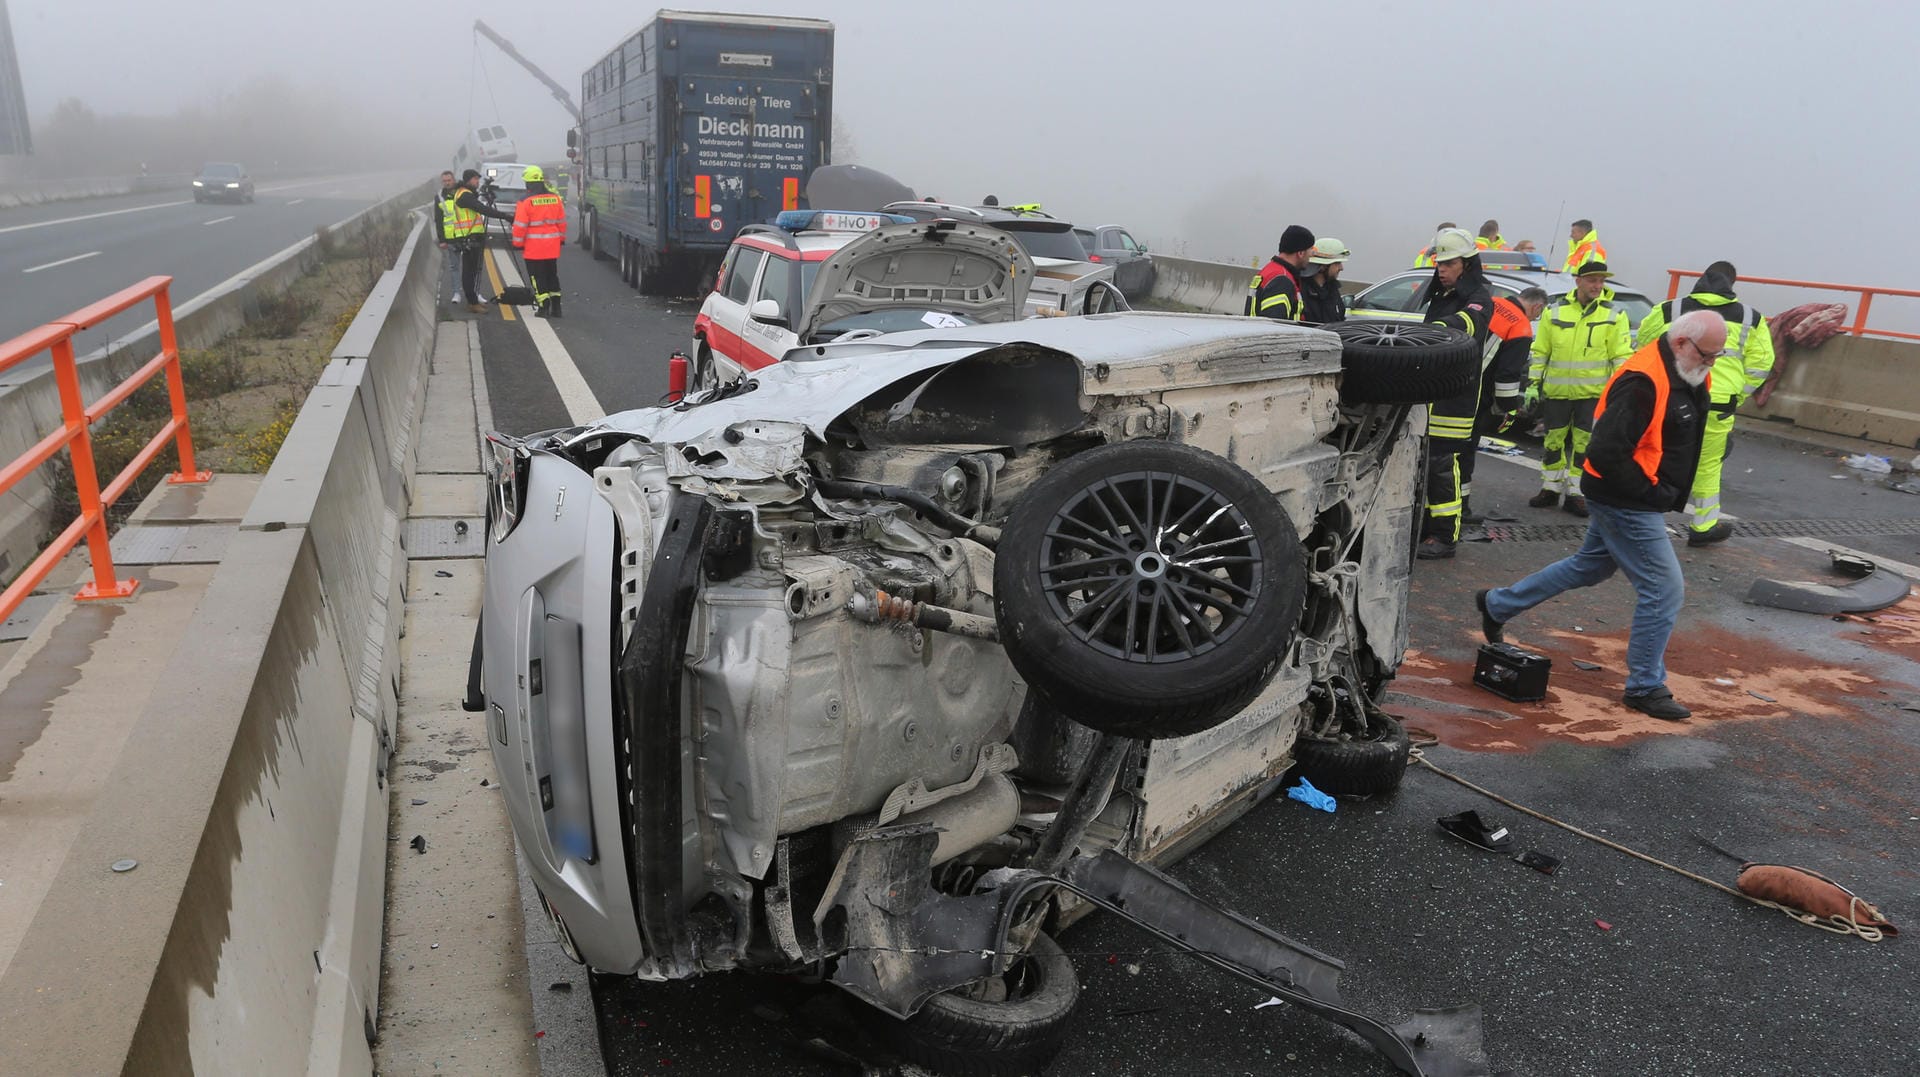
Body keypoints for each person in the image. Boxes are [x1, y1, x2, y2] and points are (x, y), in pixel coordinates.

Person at [1477, 310, 1723, 720]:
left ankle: (1498, 604)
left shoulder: (1688, 371)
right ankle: (1645, 686)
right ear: (1681, 343)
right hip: (1626, 498)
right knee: (1664, 590)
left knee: (1588, 567)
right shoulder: (1643, 380)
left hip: (1636, 495)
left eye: (1717, 355)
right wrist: (1652, 491)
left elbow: (1677, 429)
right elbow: (1607, 452)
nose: (1711, 362)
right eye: (1707, 355)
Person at [1634, 261, 1775, 546]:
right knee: (1709, 464)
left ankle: (1646, 522)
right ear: (1732, 284)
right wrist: (1738, 394)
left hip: (1673, 396)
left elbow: (1643, 345)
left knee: (1659, 456)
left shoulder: (1668, 309)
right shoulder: (1751, 318)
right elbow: (1762, 365)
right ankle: (1703, 526)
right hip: (1719, 403)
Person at [1528, 261, 1633, 516]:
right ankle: (1550, 488)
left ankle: (1577, 493)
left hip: (1593, 394)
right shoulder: (1554, 312)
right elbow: (1541, 351)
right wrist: (1533, 383)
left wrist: (1620, 391)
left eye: (1601, 281)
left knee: (1584, 445)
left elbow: (1621, 357)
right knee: (1553, 441)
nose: (1597, 286)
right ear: (1578, 281)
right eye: (1592, 280)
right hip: (1557, 392)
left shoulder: (1613, 315)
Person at [1416, 227, 1495, 559]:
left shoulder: (1478, 297)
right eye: (1439, 264)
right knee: (1426, 464)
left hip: (1455, 399)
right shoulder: (1442, 297)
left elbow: (1467, 326)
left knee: (1443, 464)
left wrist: (1430, 331)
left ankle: (1445, 536)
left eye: (1449, 263)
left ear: (1466, 263)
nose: (1442, 269)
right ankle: (1427, 527)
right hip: (1432, 395)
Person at [1462, 286, 1550, 525]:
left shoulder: (1492, 302)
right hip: (1474, 394)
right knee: (1464, 452)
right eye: (1538, 315)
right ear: (1537, 307)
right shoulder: (1520, 326)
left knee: (1442, 450)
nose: (1535, 318)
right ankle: (1459, 509)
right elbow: (1508, 376)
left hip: (1451, 380)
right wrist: (1509, 410)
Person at [450, 169, 515, 313]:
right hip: (469, 238)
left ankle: (473, 300)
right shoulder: (464, 195)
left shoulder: (466, 194)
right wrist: (506, 216)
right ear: (468, 180)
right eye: (475, 179)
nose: (477, 182)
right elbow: (482, 209)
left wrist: (484, 194)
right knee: (469, 272)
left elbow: (476, 206)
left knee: (473, 271)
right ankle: (472, 302)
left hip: (473, 237)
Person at [511, 164, 569, 318]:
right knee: (552, 275)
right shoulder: (555, 198)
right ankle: (556, 307)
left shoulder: (525, 201)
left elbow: (520, 225)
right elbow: (562, 222)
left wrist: (517, 243)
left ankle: (543, 307)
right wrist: (561, 239)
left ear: (528, 183)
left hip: (534, 247)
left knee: (537, 277)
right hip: (552, 246)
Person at [1246, 225, 1315, 322]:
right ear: (1300, 253)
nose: (1312, 254)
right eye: (1310, 250)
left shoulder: (1270, 271)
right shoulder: (1282, 281)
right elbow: (1274, 327)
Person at [1299, 237, 1350, 323]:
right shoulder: (1301, 292)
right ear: (1322, 267)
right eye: (1337, 263)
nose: (1341, 268)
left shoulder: (1333, 291)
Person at [435, 170, 462, 307]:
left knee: (471, 268)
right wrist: (442, 239)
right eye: (444, 181)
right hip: (451, 237)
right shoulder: (439, 197)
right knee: (454, 267)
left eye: (449, 180)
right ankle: (456, 293)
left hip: (466, 235)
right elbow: (438, 219)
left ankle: (475, 293)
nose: (446, 183)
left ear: (454, 180)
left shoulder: (462, 192)